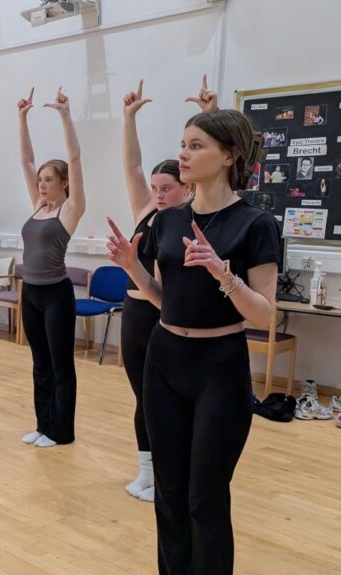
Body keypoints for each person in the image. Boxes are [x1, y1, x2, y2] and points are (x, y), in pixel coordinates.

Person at [106, 107, 279, 575]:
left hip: (219, 369)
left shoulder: (255, 224)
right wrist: (131, 269)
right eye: (184, 143)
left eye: (197, 145)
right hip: (164, 362)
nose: (184, 153)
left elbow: (265, 315)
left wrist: (224, 275)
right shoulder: (168, 219)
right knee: (169, 495)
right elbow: (167, 299)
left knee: (205, 498)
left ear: (230, 155)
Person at [116, 78, 205, 500]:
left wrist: (209, 113)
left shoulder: (191, 216)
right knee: (140, 396)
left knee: (164, 400)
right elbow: (131, 166)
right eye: (156, 189)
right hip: (134, 313)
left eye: (167, 188)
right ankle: (147, 470)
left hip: (166, 315)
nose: (159, 194)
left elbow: (214, 167)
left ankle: (173, 473)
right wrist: (129, 117)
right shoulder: (146, 208)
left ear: (186, 187)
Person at [16, 85, 86, 447]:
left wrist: (64, 115)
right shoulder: (37, 206)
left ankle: (62, 432)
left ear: (63, 184)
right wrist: (22, 118)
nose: (42, 184)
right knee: (39, 363)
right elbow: (26, 162)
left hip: (57, 295)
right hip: (31, 293)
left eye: (49, 180)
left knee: (61, 366)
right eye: (40, 180)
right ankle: (43, 425)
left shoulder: (69, 211)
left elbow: (75, 159)